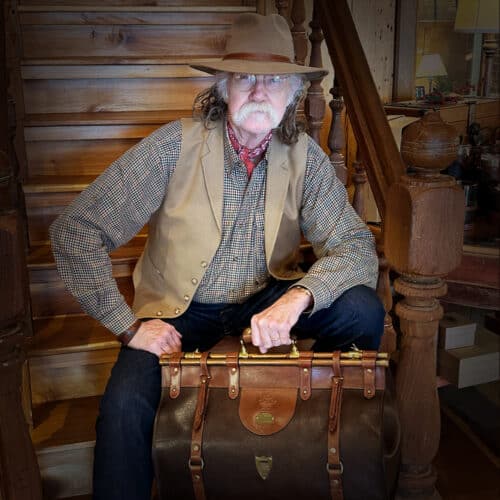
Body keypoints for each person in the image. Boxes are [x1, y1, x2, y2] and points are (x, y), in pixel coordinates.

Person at [50, 12, 384, 500]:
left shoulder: (305, 157)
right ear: (224, 87)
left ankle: (335, 445)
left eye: (273, 80)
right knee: (123, 409)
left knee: (363, 309)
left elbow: (355, 245)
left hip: (267, 302)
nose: (258, 91)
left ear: (292, 94)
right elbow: (75, 230)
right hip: (180, 311)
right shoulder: (173, 145)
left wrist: (298, 300)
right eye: (245, 77)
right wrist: (129, 326)